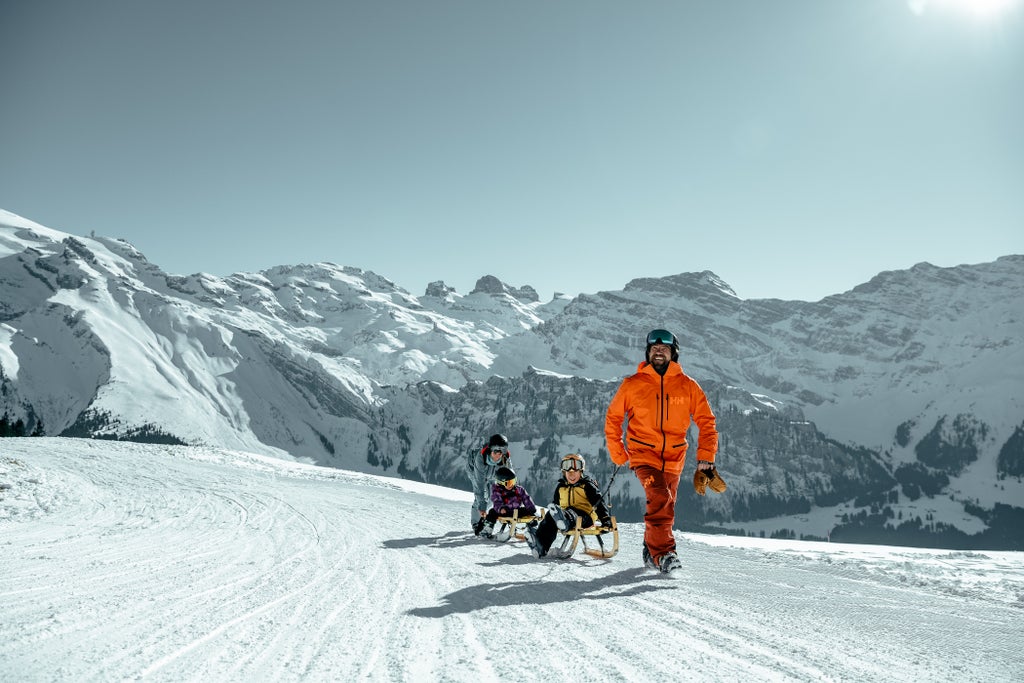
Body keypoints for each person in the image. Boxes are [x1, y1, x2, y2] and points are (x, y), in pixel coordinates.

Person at [604, 328, 724, 573]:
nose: (658, 352)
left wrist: (706, 458)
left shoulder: (688, 386)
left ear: (674, 354)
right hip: (643, 455)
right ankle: (664, 554)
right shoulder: (632, 384)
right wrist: (618, 451)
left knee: (666, 505)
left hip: (674, 458)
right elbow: (613, 418)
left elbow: (706, 422)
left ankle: (650, 549)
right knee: (660, 497)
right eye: (654, 349)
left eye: (664, 349)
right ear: (648, 353)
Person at [523, 453, 613, 559]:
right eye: (568, 472)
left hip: (584, 516)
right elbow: (555, 507)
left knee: (570, 513)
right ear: (563, 472)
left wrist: (606, 519)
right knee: (550, 517)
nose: (571, 474)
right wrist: (551, 516)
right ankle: (540, 545)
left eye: (575, 471)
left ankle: (563, 521)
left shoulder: (587, 485)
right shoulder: (561, 487)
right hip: (564, 514)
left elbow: (599, 503)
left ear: (581, 471)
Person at [467, 433, 511, 535]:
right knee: (483, 495)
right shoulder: (480, 458)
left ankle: (483, 513)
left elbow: (510, 475)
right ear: (491, 449)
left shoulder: (504, 457)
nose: (498, 455)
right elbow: (479, 485)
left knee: (492, 496)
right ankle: (476, 522)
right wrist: (482, 506)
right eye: (496, 451)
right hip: (475, 470)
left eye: (502, 451)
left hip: (492, 474)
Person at [479, 466, 537, 539]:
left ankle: (533, 529)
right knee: (492, 512)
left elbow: (526, 498)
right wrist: (501, 508)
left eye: (513, 481)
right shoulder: (497, 490)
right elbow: (497, 501)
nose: (512, 485)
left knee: (529, 512)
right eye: (509, 483)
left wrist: (531, 508)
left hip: (516, 511)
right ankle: (487, 530)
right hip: (504, 511)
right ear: (501, 483)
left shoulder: (519, 489)